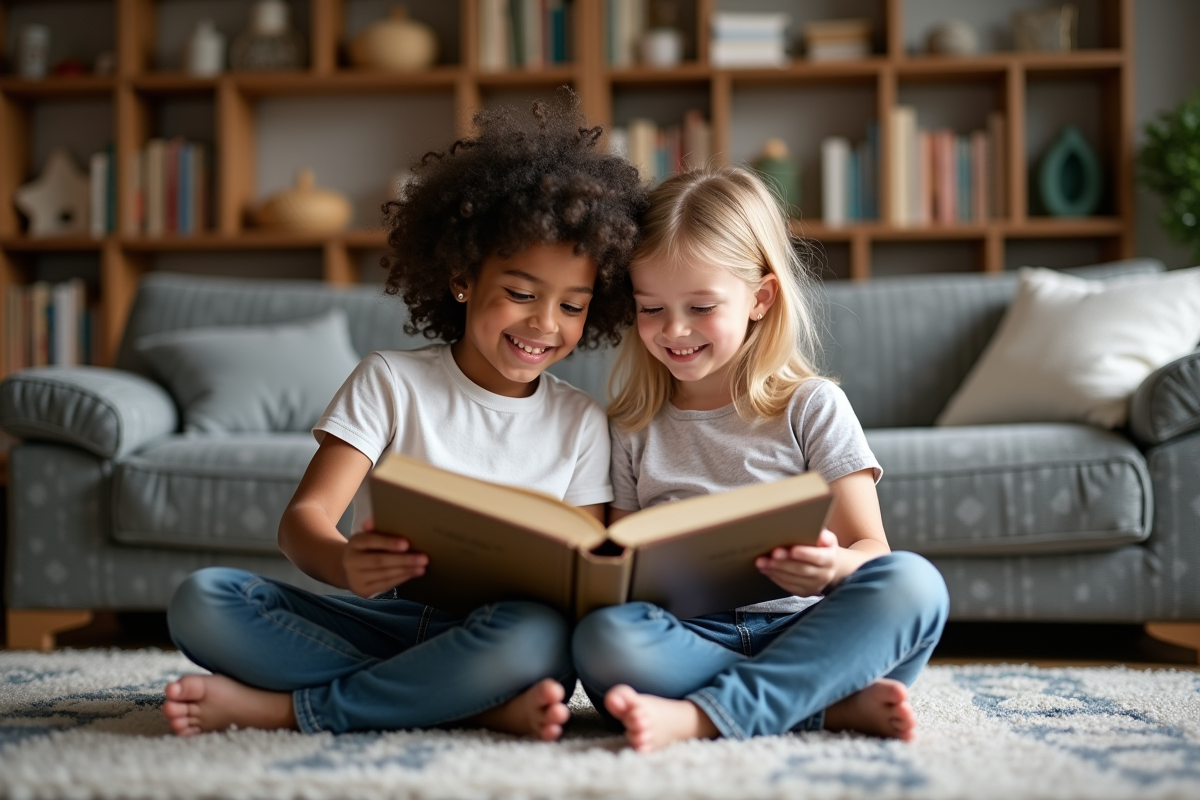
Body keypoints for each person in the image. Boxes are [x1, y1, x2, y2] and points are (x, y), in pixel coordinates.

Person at [162, 94, 647, 741]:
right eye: (521, 294)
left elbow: (580, 569)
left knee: (541, 639)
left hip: (502, 632)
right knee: (205, 602)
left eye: (572, 305)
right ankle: (466, 701)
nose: (543, 324)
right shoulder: (391, 379)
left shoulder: (583, 420)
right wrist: (343, 564)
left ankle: (296, 710)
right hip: (390, 618)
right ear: (462, 278)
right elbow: (302, 522)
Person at [572, 166, 949, 752]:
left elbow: (872, 550)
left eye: (701, 307)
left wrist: (834, 571)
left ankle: (702, 717)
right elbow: (620, 572)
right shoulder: (629, 427)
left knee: (916, 586)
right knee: (602, 637)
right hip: (690, 638)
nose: (674, 330)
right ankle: (823, 707)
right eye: (651, 309)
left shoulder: (811, 406)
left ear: (760, 298)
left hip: (803, 630)